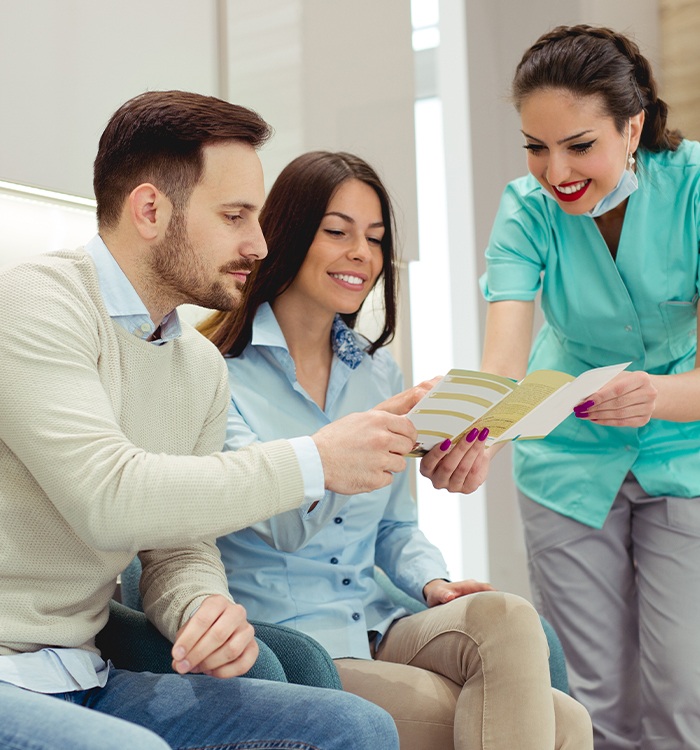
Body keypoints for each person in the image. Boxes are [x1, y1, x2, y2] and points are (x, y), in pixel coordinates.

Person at [0, 89, 420, 750]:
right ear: (149, 209)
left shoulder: (199, 366)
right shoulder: (37, 304)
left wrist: (200, 606)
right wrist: (314, 459)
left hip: (86, 672)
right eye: (234, 216)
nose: (257, 243)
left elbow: (178, 545)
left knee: (353, 726)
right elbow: (111, 497)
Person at [201, 150, 593, 750]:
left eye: (376, 238)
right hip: (292, 645)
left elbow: (395, 526)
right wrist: (343, 448)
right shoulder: (216, 375)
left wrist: (431, 582)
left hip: (380, 621)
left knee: (508, 617)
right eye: (337, 231)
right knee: (564, 724)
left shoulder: (378, 373)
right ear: (286, 235)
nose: (362, 253)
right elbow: (278, 525)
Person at [478, 24, 700, 750]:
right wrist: (470, 426)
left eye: (579, 146)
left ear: (632, 127)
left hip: (684, 444)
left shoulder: (695, 189)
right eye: (536, 147)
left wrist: (653, 398)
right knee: (593, 701)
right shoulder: (526, 209)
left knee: (685, 689)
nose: (556, 171)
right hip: (566, 454)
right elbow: (504, 364)